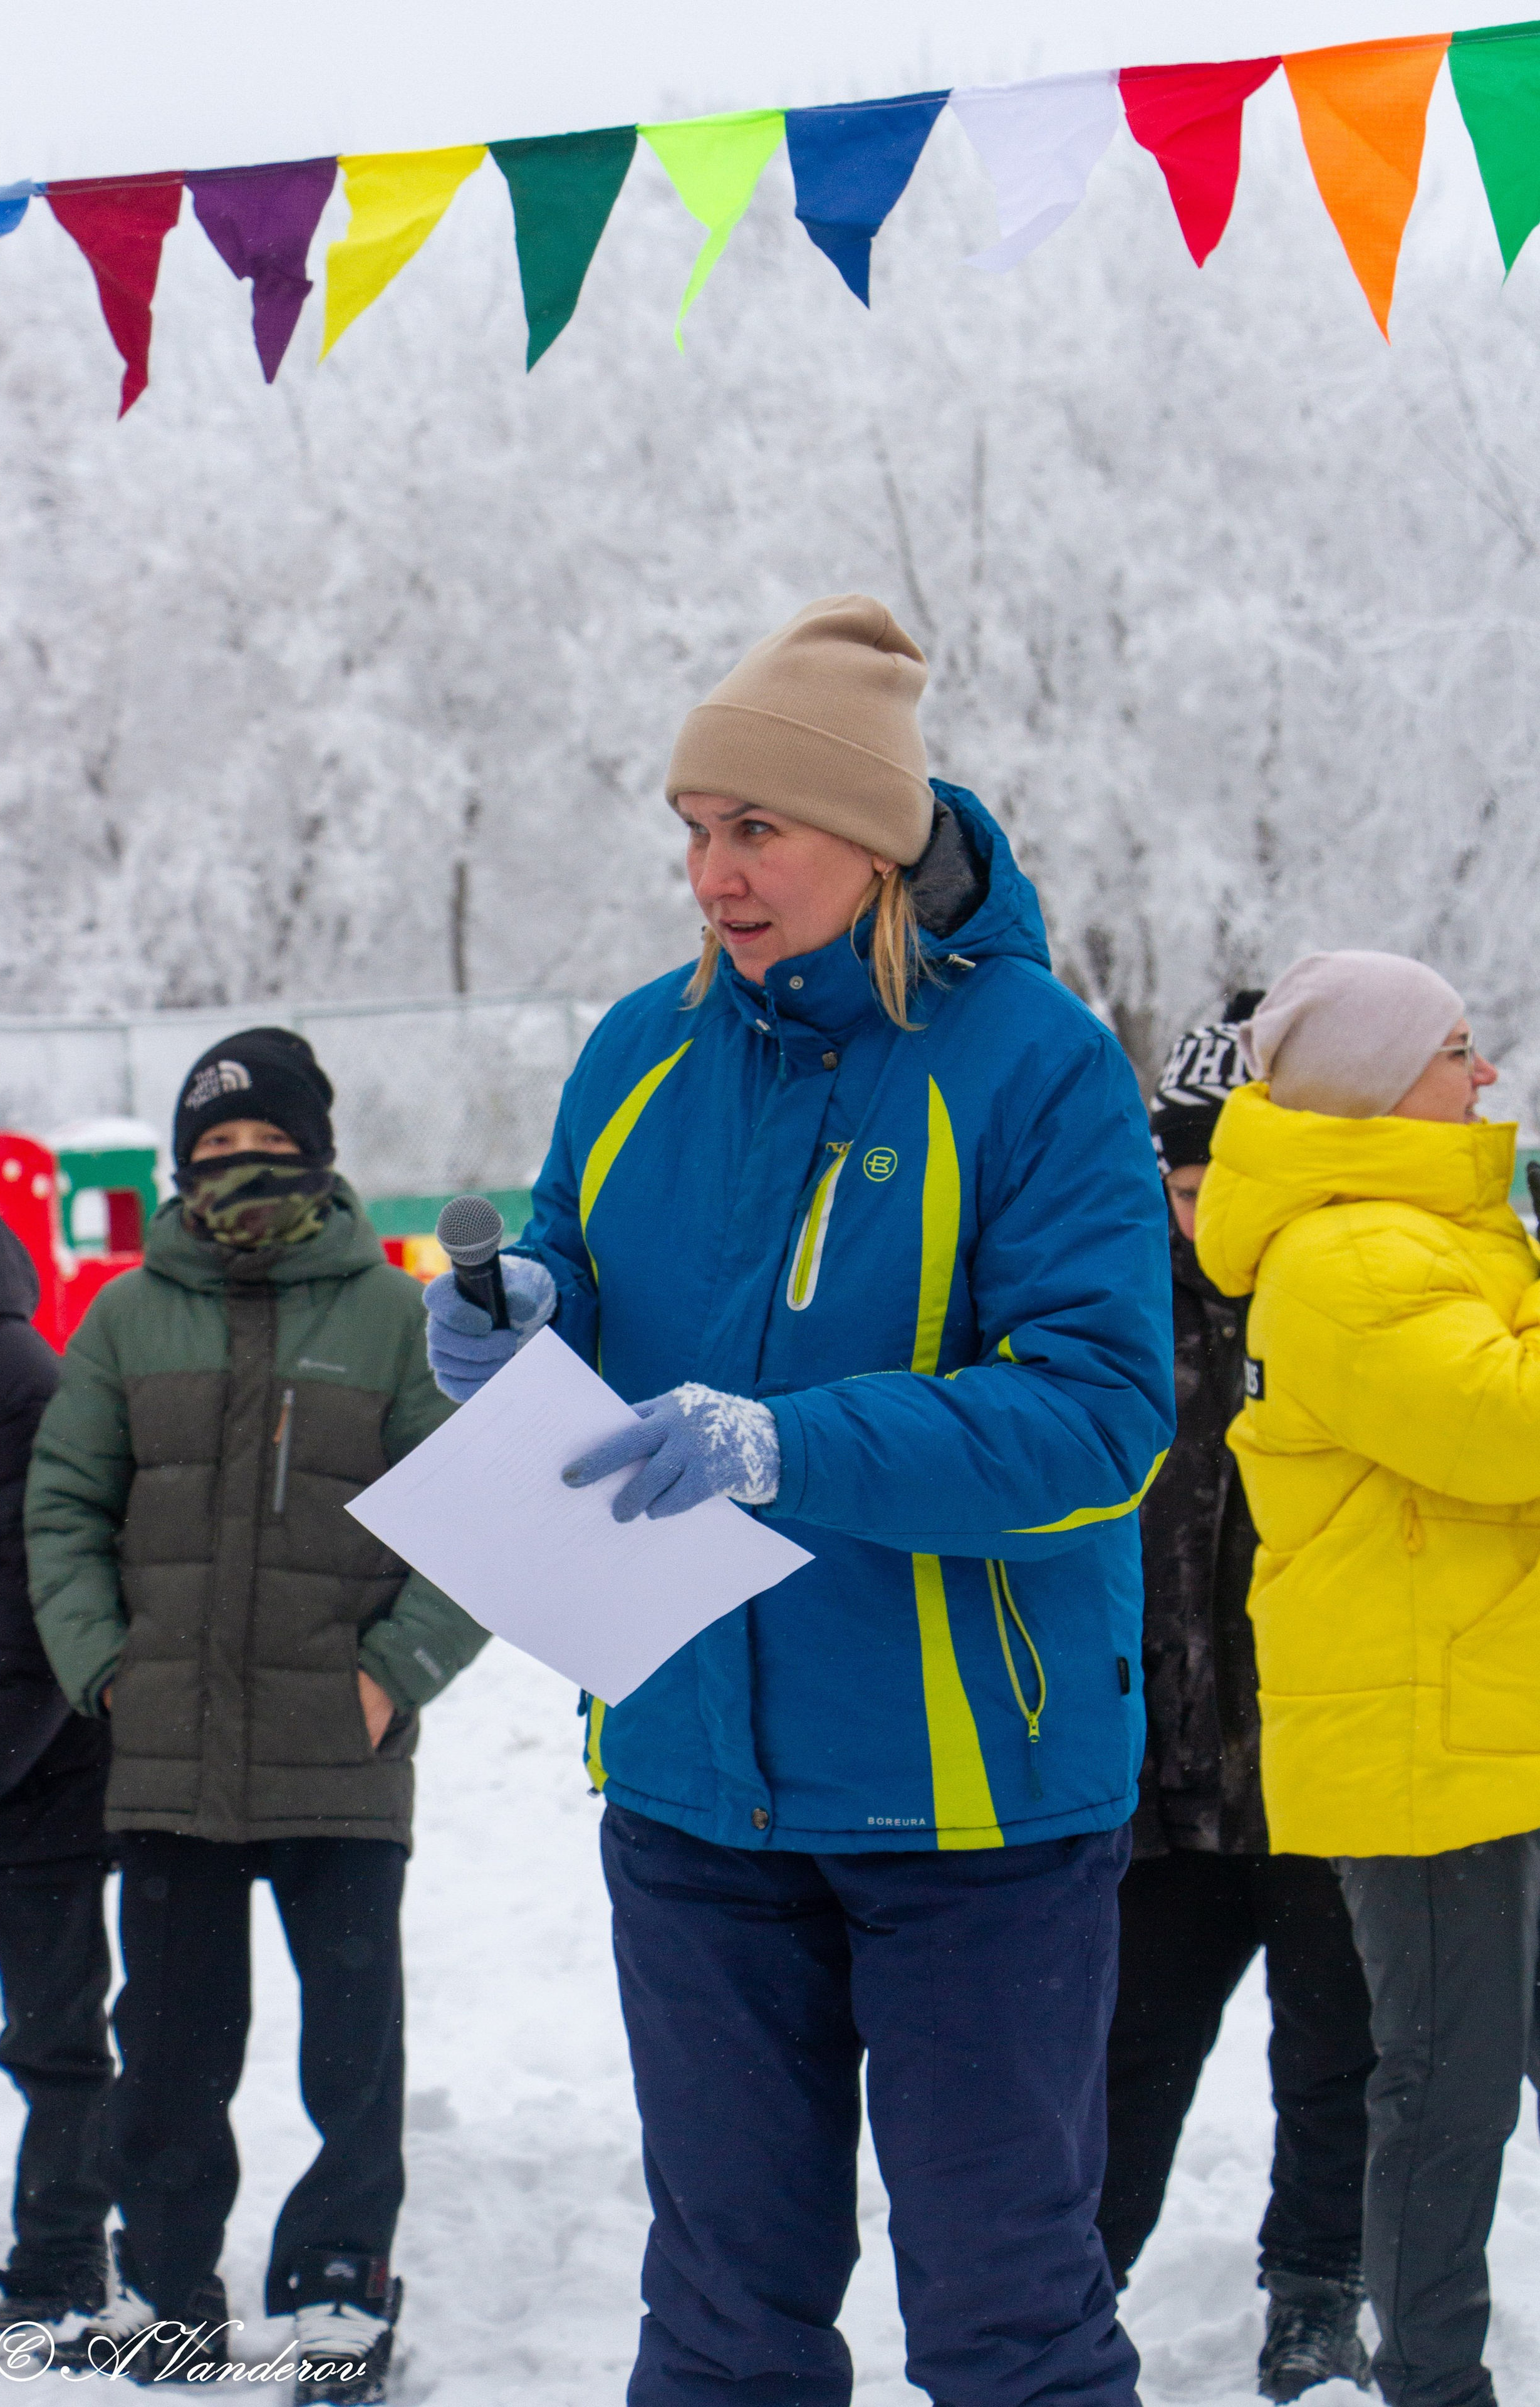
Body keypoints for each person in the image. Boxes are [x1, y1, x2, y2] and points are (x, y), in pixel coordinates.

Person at [424, 596, 1176, 2407]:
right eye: (693, 830)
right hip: (694, 1790)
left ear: (873, 838)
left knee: (1007, 2322)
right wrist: (522, 1320)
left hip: (973, 1811)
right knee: (720, 2325)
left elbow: (1100, 1421)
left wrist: (789, 1445)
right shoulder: (642, 1048)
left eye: (754, 827)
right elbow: (580, 1269)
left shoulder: (1037, 1064)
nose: (713, 875)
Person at [25, 1028, 489, 2400]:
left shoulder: (396, 1319)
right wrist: (106, 1669)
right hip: (169, 1756)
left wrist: (392, 1672)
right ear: (182, 1168)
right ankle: (167, 2279)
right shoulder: (125, 1317)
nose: (243, 1165)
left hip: (341, 1753)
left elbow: (471, 1524)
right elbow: (62, 1509)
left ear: (320, 1155)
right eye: (217, 1148)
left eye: (269, 1143)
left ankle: (340, 2276)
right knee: (170, 2047)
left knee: (351, 2044)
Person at [1195, 950, 1540, 2407]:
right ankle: (1433, 2385)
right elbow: (1505, 1427)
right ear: (1374, 1082)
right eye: (1455, 1049)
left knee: (1457, 2077)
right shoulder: (1347, 1256)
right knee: (1444, 2091)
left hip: (1486, 1718)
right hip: (1420, 1746)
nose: (1484, 1072)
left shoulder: (1432, 1234)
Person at [1096, 1003, 1376, 2402]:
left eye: (1227, 1181)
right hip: (1161, 1780)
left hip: (1327, 1771)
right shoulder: (1110, 1304)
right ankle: (1069, 2293)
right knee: (1122, 2060)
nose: (1202, 1211)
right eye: (1182, 1181)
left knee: (1338, 2058)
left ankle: (1316, 2295)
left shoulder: (1343, 1292)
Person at [0, 1160, 112, 2355]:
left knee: (54, 2039)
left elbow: (28, 1614)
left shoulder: (7, 1369)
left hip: (32, 1764)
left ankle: (60, 2259)